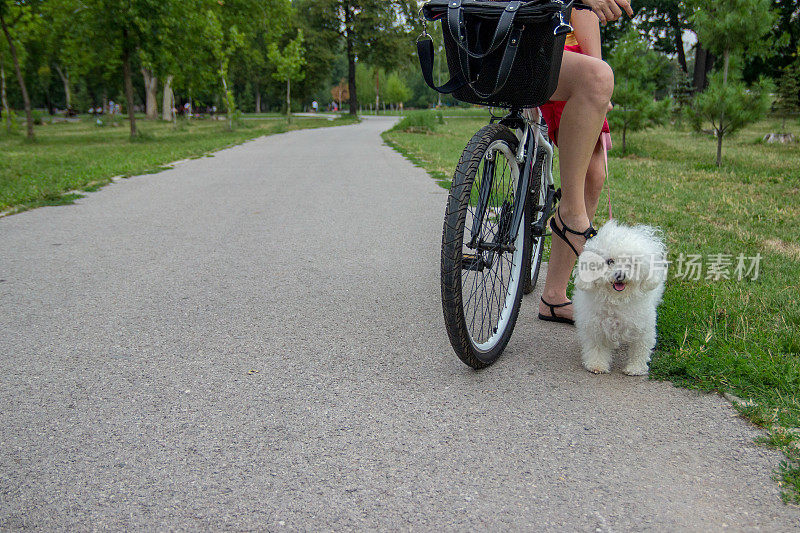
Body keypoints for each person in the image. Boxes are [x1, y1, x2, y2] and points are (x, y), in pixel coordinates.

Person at [536, 0, 632, 325]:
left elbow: (584, 14)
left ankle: (554, 295)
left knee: (593, 175)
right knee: (589, 175)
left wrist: (597, 82)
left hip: (566, 56)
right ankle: (571, 222)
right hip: (540, 53)